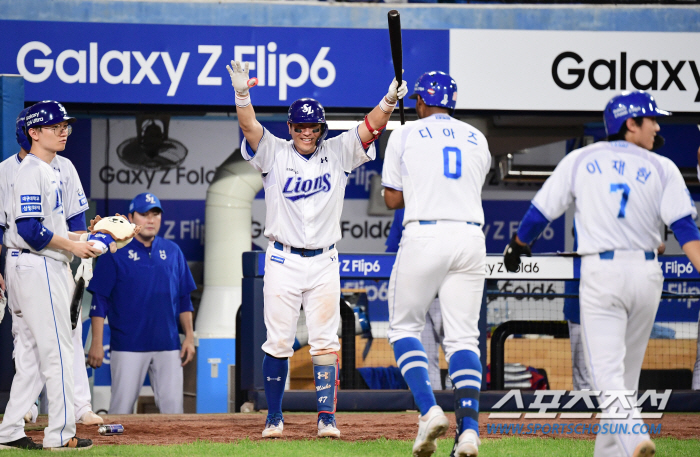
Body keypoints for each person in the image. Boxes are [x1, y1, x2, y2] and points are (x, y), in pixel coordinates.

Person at [503, 90, 700, 457]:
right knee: (625, 378)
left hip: (602, 272)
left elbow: (539, 214)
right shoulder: (662, 166)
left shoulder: (581, 159)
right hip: (646, 274)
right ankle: (612, 452)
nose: (657, 126)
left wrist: (518, 245)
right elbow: (686, 230)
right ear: (630, 124)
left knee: (606, 376)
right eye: (652, 119)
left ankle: (634, 434)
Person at [226, 60, 407, 438]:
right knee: (277, 341)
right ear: (290, 126)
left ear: (322, 128)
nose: (307, 132)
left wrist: (389, 100)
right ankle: (274, 417)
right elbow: (248, 126)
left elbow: (371, 127)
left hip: (324, 258)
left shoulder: (338, 150)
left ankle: (326, 417)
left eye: (313, 126)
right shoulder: (274, 151)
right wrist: (242, 95)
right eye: (300, 126)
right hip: (282, 257)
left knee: (326, 341)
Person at [382, 71, 490, 457]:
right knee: (464, 339)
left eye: (416, 100)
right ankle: (470, 432)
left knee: (403, 328)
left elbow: (392, 200)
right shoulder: (477, 137)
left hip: (426, 234)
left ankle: (428, 410)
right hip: (470, 237)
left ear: (421, 101)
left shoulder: (405, 134)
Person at [0, 101, 101, 450]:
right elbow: (30, 229)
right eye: (54, 126)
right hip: (36, 264)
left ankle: (10, 430)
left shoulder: (48, 169)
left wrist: (94, 238)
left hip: (35, 263)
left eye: (65, 125)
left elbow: (56, 229)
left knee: (30, 355)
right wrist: (73, 247)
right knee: (57, 351)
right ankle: (60, 435)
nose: (63, 131)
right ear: (33, 132)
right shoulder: (32, 170)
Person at [87, 192, 196, 414]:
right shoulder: (114, 251)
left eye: (155, 214)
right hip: (128, 346)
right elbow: (99, 300)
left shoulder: (173, 251)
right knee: (121, 410)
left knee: (174, 412)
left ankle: (173, 450)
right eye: (144, 214)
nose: (150, 219)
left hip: (168, 345)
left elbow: (185, 298)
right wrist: (97, 343)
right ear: (130, 218)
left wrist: (190, 338)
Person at [386, 208, 452, 391]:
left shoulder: (444, 201)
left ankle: (464, 401)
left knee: (455, 348)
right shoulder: (404, 207)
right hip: (418, 295)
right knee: (426, 355)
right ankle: (432, 405)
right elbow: (392, 249)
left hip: (445, 294)